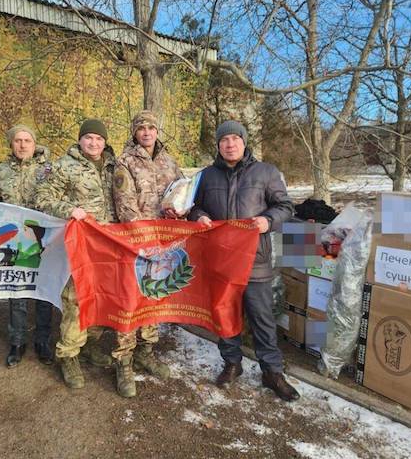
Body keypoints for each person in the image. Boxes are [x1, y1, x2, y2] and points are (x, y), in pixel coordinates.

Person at [189, 120, 300, 401]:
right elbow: (193, 206)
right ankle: (232, 363)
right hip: (221, 261)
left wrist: (268, 220)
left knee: (262, 318)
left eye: (235, 139)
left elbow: (286, 206)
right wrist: (198, 216)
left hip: (255, 260)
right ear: (217, 145)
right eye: (224, 140)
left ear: (244, 141)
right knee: (226, 314)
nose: (230, 144)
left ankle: (272, 372)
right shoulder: (206, 176)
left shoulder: (266, 172)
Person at [35, 118, 116, 389]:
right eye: (89, 138)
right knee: (77, 298)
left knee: (102, 297)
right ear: (80, 140)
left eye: (99, 139)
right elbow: (42, 197)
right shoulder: (63, 166)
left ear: (105, 142)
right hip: (79, 244)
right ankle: (67, 354)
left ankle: (90, 345)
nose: (94, 143)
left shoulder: (112, 166)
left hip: (108, 245)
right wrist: (69, 210)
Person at [111, 110, 183, 398]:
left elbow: (181, 192)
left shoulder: (168, 161)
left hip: (163, 243)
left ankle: (146, 351)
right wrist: (144, 239)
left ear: (157, 130)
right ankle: (124, 361)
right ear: (135, 132)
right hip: (135, 242)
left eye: (151, 127)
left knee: (153, 297)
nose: (147, 132)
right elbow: (124, 205)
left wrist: (180, 210)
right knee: (130, 301)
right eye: (141, 128)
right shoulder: (125, 161)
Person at [0, 124, 54, 367]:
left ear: (34, 143)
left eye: (27, 140)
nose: (22, 145)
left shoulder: (48, 169)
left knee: (43, 292)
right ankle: (17, 341)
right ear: (11, 143)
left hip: (43, 237)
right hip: (13, 239)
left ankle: (43, 340)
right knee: (16, 292)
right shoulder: (0, 171)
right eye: (17, 140)